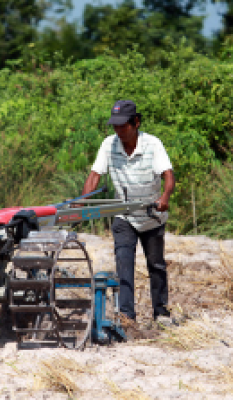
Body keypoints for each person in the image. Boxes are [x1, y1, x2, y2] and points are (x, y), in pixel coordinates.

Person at [81, 100, 176, 326]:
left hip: (152, 216)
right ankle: (126, 316)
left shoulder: (152, 144)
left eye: (123, 126)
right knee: (124, 262)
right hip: (124, 215)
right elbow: (95, 175)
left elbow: (168, 175)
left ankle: (161, 313)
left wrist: (165, 197)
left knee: (156, 265)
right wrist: (81, 201)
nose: (119, 131)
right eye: (115, 126)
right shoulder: (108, 145)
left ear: (136, 122)